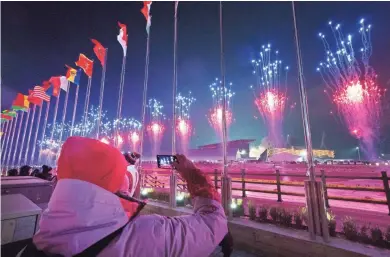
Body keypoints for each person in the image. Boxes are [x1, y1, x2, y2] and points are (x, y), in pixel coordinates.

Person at [22, 136, 227, 257]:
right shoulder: (145, 234)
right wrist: (191, 173)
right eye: (121, 172)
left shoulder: (41, 237)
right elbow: (212, 223)